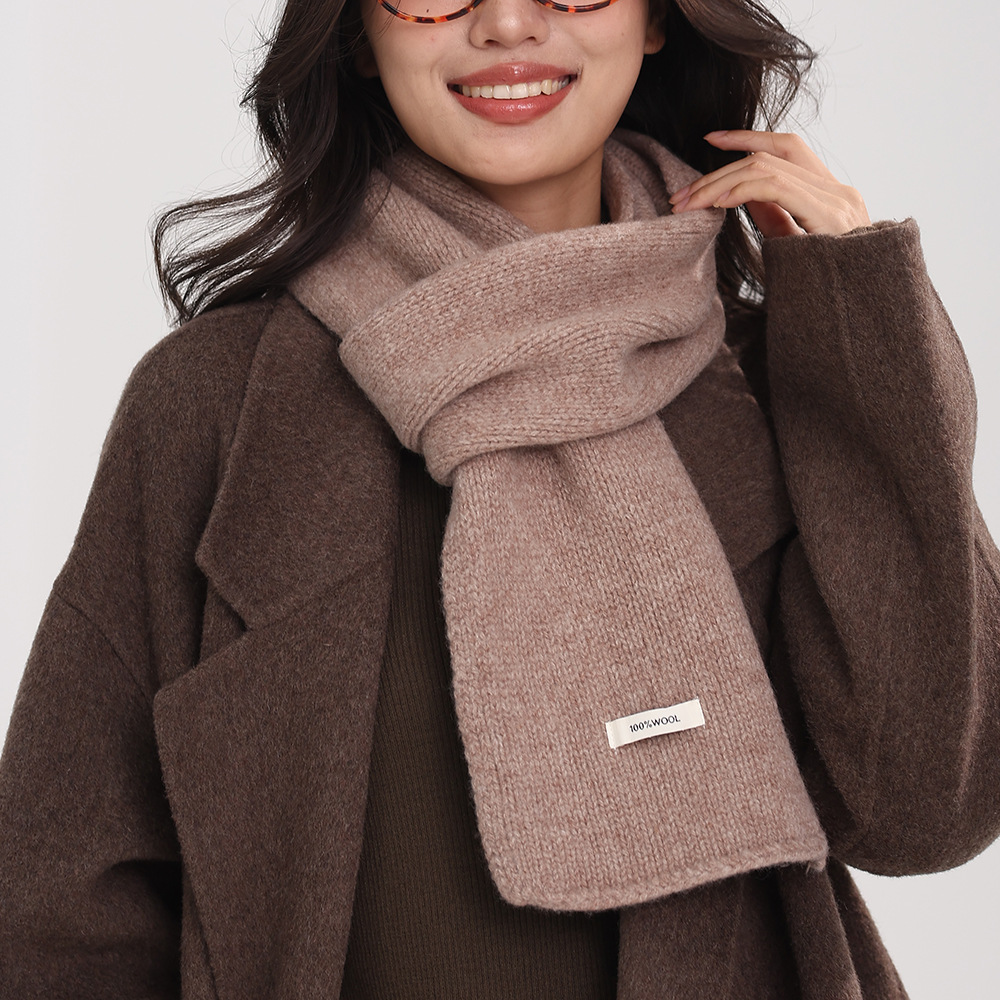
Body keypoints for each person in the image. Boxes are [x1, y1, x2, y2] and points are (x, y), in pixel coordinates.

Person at [1, 0, 998, 996]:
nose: (510, 23)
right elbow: (61, 911)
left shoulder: (780, 378)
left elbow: (925, 811)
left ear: (656, 20)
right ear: (358, 34)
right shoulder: (222, 405)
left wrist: (867, 320)